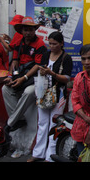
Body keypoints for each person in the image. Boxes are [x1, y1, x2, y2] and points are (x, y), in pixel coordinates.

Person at [25, 31, 73, 162]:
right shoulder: (46, 55)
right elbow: (40, 67)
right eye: (50, 43)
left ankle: (50, 156)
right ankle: (38, 153)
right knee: (42, 123)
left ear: (61, 43)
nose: (52, 46)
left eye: (55, 44)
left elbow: (66, 78)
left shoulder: (66, 58)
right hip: (43, 92)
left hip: (58, 94)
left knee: (54, 125)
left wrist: (51, 73)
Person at [2, 17, 46, 132]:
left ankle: (11, 122)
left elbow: (38, 65)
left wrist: (24, 78)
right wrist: (12, 77)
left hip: (35, 79)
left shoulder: (39, 44)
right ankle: (19, 119)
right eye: (25, 30)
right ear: (21, 31)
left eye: (30, 30)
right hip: (21, 76)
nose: (28, 33)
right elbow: (15, 62)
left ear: (34, 30)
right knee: (5, 89)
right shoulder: (18, 43)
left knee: (28, 92)